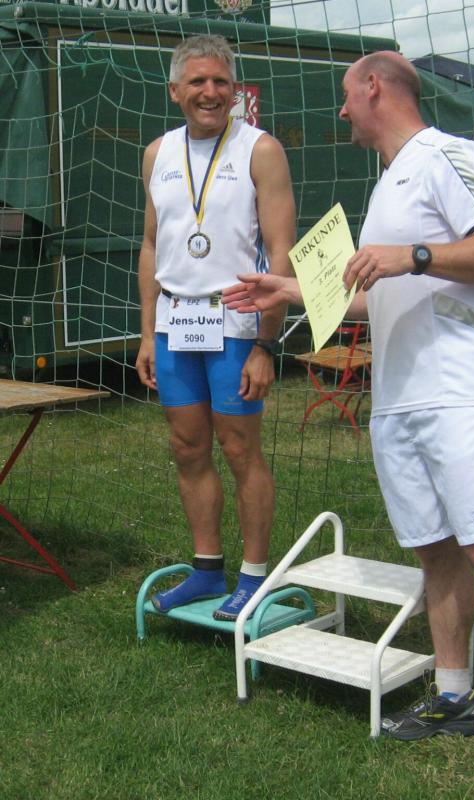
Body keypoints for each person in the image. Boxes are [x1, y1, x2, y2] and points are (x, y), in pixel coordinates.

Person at [223, 52, 474, 793]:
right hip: (399, 399)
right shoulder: (386, 183)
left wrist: (411, 254)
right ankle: (454, 693)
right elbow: (376, 295)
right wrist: (287, 289)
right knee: (434, 550)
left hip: (462, 393)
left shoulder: (448, 155)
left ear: (374, 87)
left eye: (346, 96)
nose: (341, 111)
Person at [135, 35, 296, 620]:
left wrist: (265, 344)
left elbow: (282, 252)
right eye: (198, 82)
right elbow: (151, 245)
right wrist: (147, 333)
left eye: (221, 82)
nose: (210, 92)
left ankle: (254, 574)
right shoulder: (157, 153)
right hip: (176, 322)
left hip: (236, 324)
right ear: (175, 90)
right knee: (187, 447)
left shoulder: (260, 149)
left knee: (239, 447)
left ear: (235, 90)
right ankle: (207, 570)